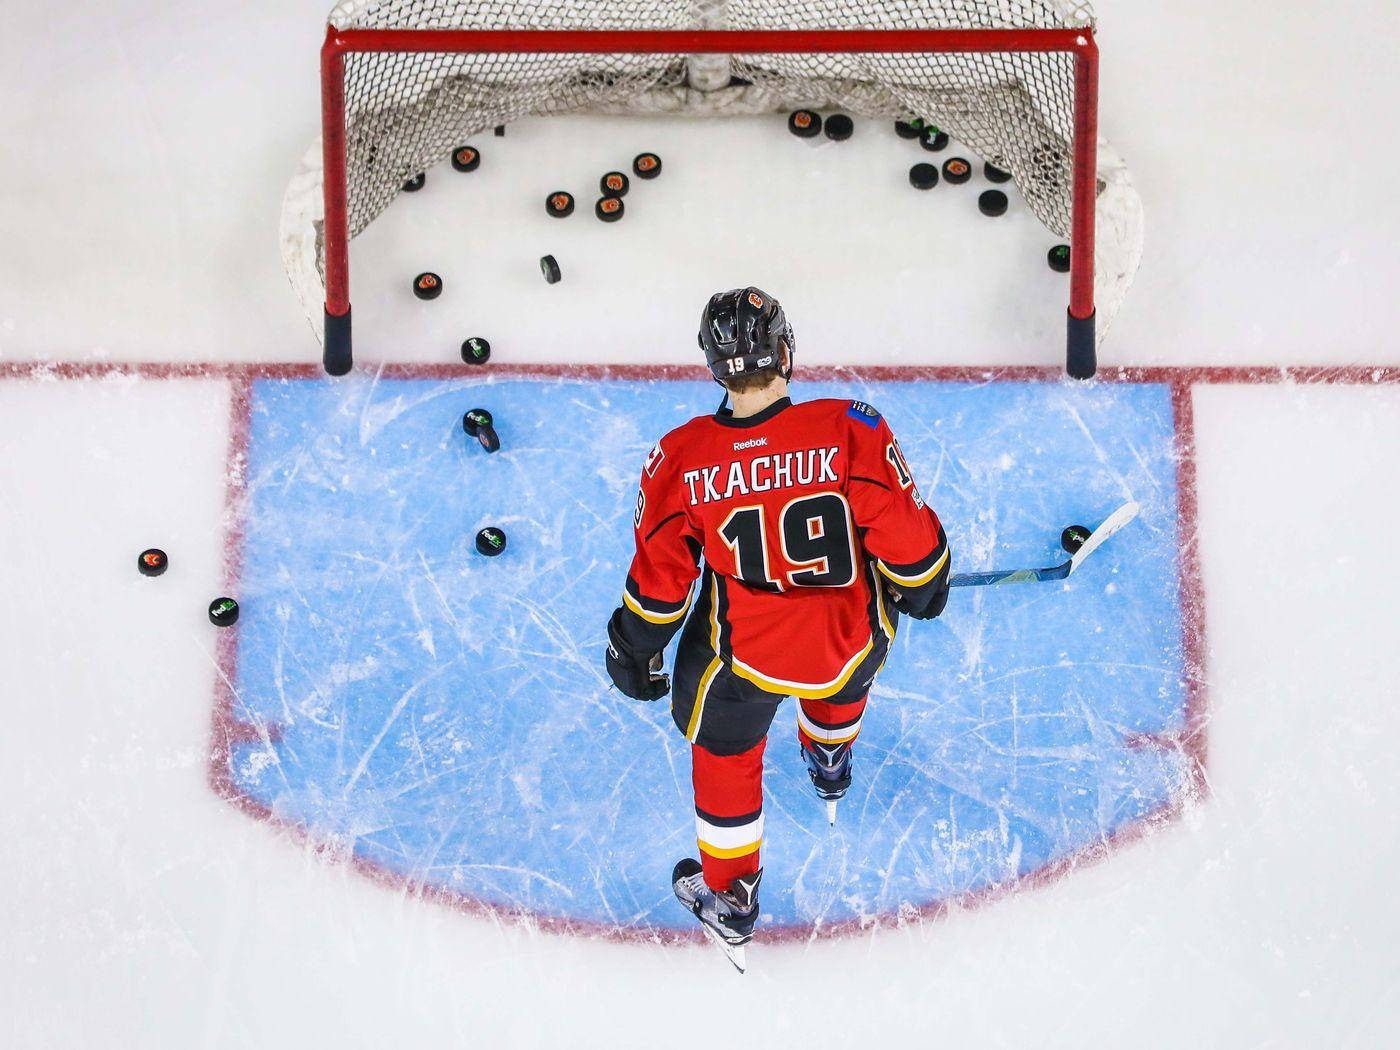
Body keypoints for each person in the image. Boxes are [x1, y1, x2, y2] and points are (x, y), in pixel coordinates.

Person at [604, 287, 950, 956]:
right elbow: (906, 538)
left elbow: (662, 581)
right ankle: (828, 751)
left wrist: (635, 643)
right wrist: (925, 581)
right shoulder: (853, 426)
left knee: (724, 747)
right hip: (846, 638)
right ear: (786, 351)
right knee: (848, 658)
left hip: (747, 658)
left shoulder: (681, 454)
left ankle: (731, 893)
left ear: (712, 365)